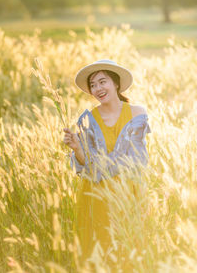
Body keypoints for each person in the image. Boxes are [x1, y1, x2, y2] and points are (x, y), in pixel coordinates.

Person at [63, 59, 151, 271]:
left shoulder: (137, 114)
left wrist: (96, 162)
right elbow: (89, 169)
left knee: (128, 253)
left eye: (103, 82)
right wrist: (78, 149)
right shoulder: (87, 119)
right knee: (100, 255)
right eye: (93, 85)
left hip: (129, 193)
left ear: (116, 84)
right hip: (97, 197)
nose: (98, 88)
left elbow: (136, 160)